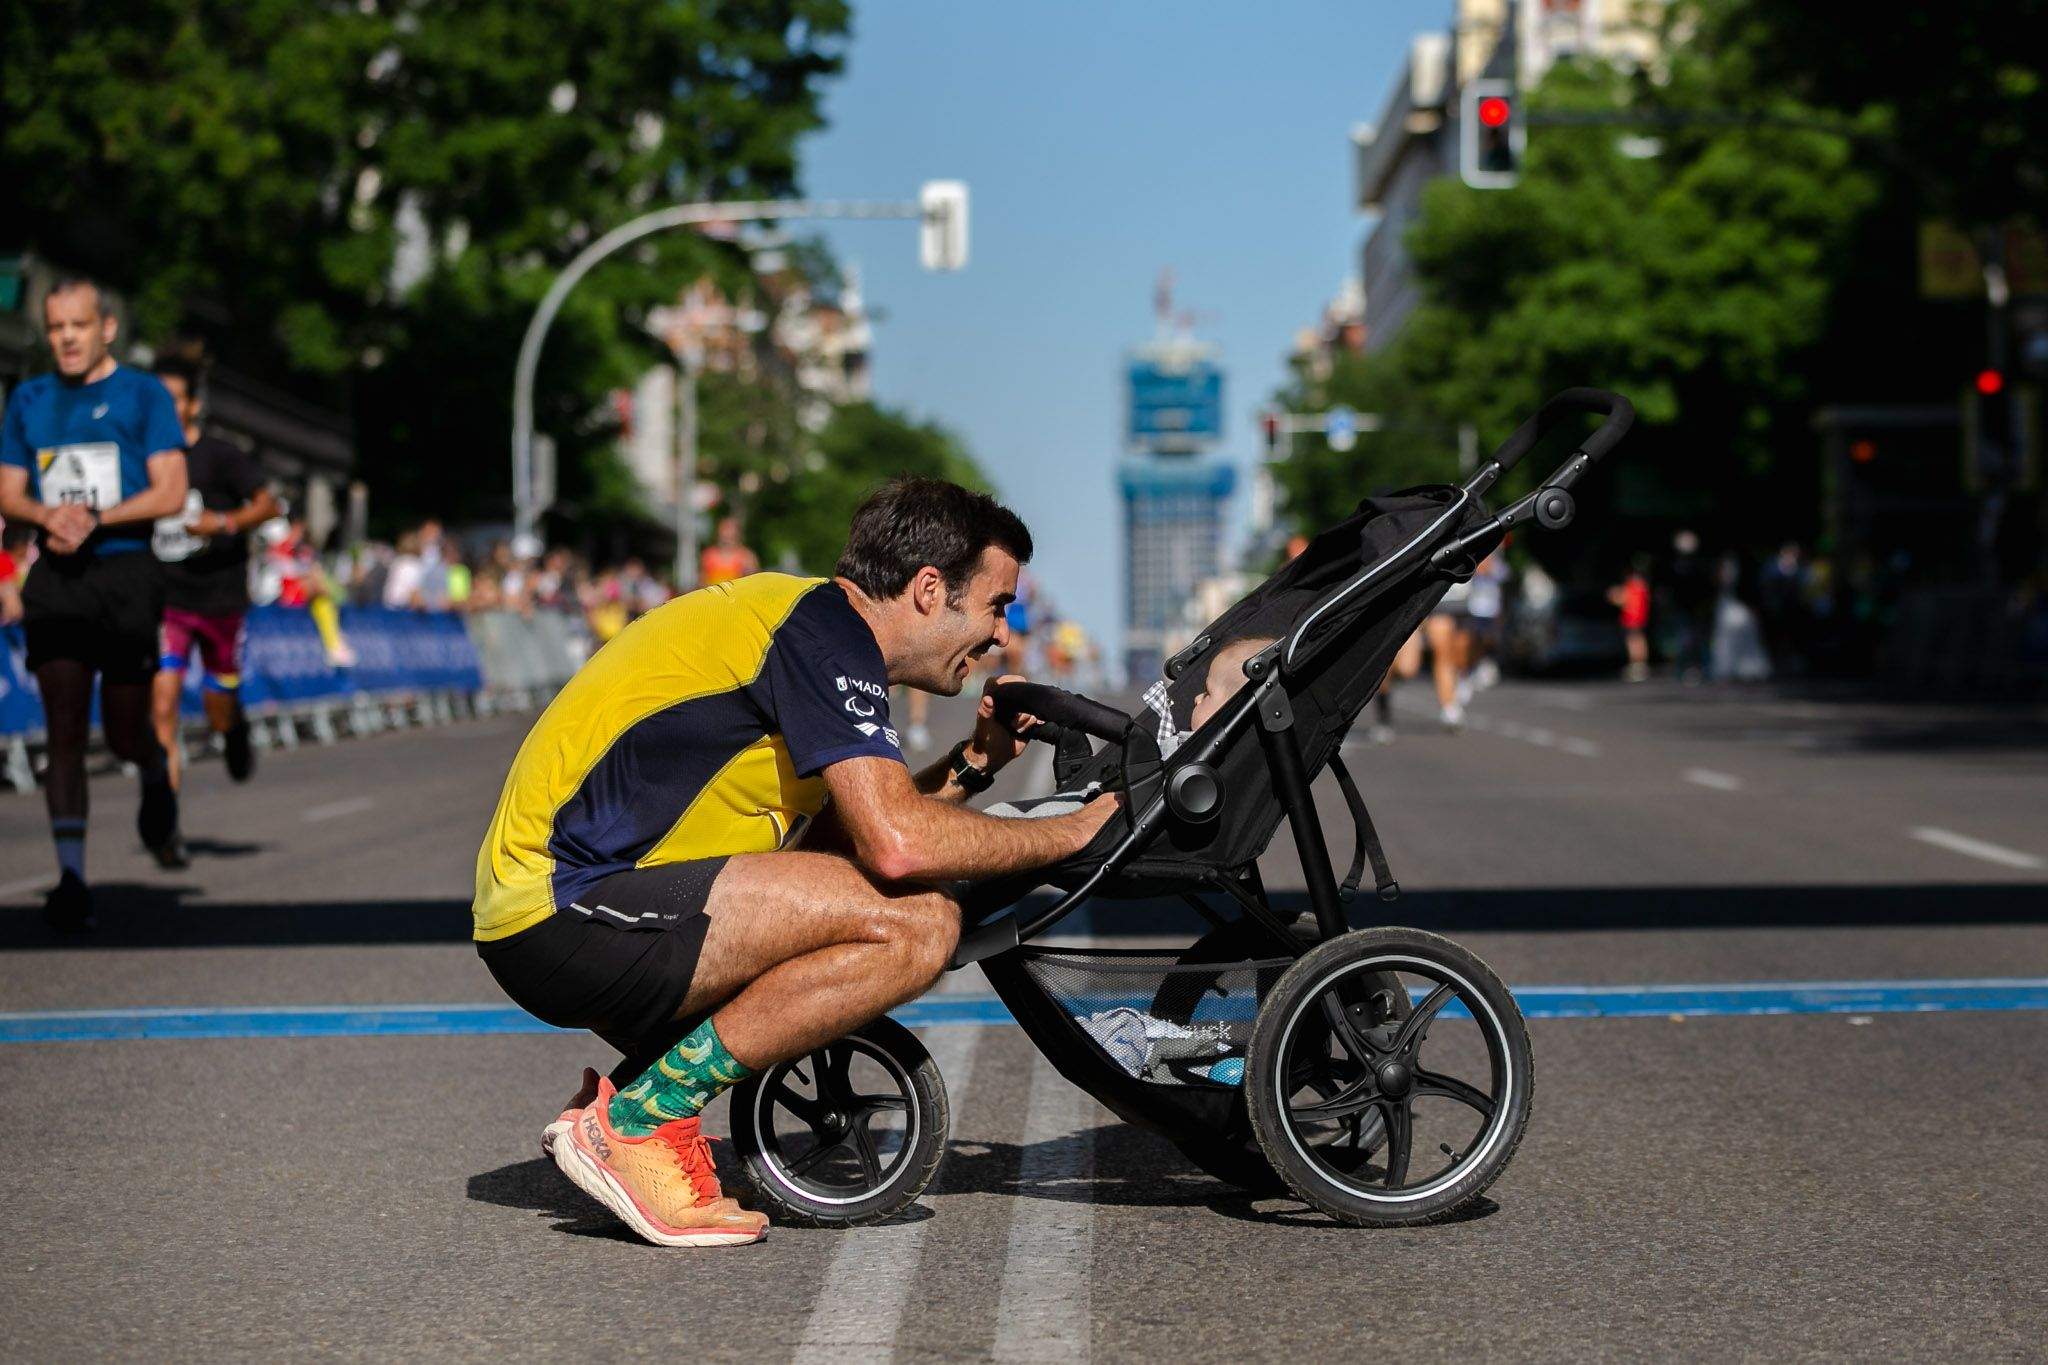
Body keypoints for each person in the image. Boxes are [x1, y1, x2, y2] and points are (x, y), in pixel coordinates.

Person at [475, 477, 1116, 1248]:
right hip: (562, 908)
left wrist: (974, 766)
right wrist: (1076, 830)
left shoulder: (818, 631)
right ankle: (638, 1123)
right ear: (926, 589)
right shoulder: (823, 634)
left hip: (589, 905)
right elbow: (898, 844)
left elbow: (845, 843)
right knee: (916, 922)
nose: (1003, 634)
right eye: (995, 604)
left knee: (879, 900)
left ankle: (633, 1099)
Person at [0, 278, 189, 930]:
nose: (66, 339)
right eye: (55, 328)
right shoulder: (29, 398)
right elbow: (8, 491)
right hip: (58, 576)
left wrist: (97, 517)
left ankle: (152, 772)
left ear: (106, 327)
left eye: (77, 325)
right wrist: (48, 513)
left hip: (126, 574)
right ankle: (72, 876)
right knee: (64, 730)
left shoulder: (144, 394)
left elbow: (170, 490)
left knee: (126, 729)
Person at [148, 358, 278, 847]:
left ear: (192, 406)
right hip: (168, 600)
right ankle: (165, 819)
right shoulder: (144, 458)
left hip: (221, 600)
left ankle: (234, 728)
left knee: (216, 704)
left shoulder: (220, 456)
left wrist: (221, 524)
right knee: (162, 703)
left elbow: (269, 504)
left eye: (172, 399)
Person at [1610, 556, 1652, 682]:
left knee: (1634, 643)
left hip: (1632, 619)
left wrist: (1614, 595)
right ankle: (1640, 666)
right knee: (1639, 641)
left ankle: (1637, 666)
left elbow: (1621, 599)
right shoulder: (1642, 586)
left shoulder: (1631, 586)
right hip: (1640, 618)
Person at [699, 515, 759, 586]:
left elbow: (754, 583)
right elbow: (702, 583)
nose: (726, 535)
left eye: (730, 531)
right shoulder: (708, 555)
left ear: (738, 534)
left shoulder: (746, 557)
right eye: (724, 530)